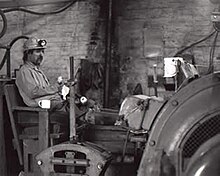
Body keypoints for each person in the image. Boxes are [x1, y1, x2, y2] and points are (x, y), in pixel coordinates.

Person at [15, 37, 87, 125]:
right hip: (38, 107)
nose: (41, 55)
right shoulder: (24, 71)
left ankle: (85, 120)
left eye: (42, 51)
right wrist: (55, 89)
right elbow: (33, 92)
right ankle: (85, 120)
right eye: (37, 52)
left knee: (80, 102)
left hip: (50, 102)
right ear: (28, 54)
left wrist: (62, 88)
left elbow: (46, 89)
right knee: (69, 107)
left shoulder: (37, 71)